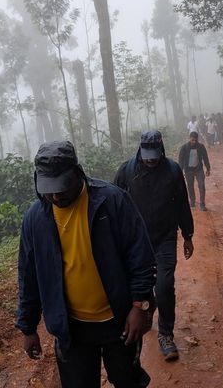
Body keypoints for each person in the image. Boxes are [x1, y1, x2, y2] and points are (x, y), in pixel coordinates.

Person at [16, 140, 156, 388]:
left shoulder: (112, 201)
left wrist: (140, 305)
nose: (56, 195)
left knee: (128, 380)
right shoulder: (35, 219)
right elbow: (28, 277)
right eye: (49, 188)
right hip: (71, 329)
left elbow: (141, 257)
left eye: (62, 186)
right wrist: (28, 327)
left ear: (78, 173)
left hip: (119, 320)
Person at [114, 130, 194, 362]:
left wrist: (187, 234)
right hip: (136, 242)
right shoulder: (127, 171)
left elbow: (181, 203)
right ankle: (146, 310)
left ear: (162, 149)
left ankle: (166, 334)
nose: (150, 159)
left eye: (155, 153)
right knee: (142, 286)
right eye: (147, 154)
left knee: (165, 284)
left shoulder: (172, 170)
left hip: (165, 237)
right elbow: (113, 203)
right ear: (140, 149)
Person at [178, 131, 210, 211]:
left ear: (197, 139)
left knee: (201, 186)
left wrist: (208, 168)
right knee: (190, 186)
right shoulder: (184, 148)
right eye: (192, 140)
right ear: (189, 139)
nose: (194, 142)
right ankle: (192, 201)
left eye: (195, 140)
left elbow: (205, 158)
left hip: (198, 169)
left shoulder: (201, 147)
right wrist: (180, 171)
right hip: (188, 170)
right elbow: (181, 161)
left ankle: (202, 203)